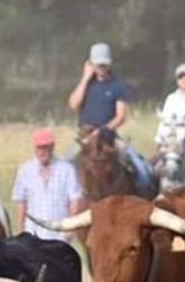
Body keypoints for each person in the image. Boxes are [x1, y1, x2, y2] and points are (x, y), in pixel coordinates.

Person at [66, 42, 154, 191]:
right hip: (85, 138)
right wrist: (85, 78)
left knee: (142, 170)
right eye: (98, 65)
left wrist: (101, 131)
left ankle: (144, 198)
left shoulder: (117, 86)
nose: (101, 68)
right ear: (91, 64)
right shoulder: (85, 85)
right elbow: (73, 104)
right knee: (64, 165)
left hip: (108, 137)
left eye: (104, 65)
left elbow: (121, 116)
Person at [12, 128, 83, 241]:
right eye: (39, 147)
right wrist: (21, 230)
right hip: (32, 233)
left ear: (52, 147)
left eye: (45, 147)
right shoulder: (25, 170)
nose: (41, 151)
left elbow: (75, 200)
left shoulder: (67, 169)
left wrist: (70, 229)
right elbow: (21, 203)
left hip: (58, 235)